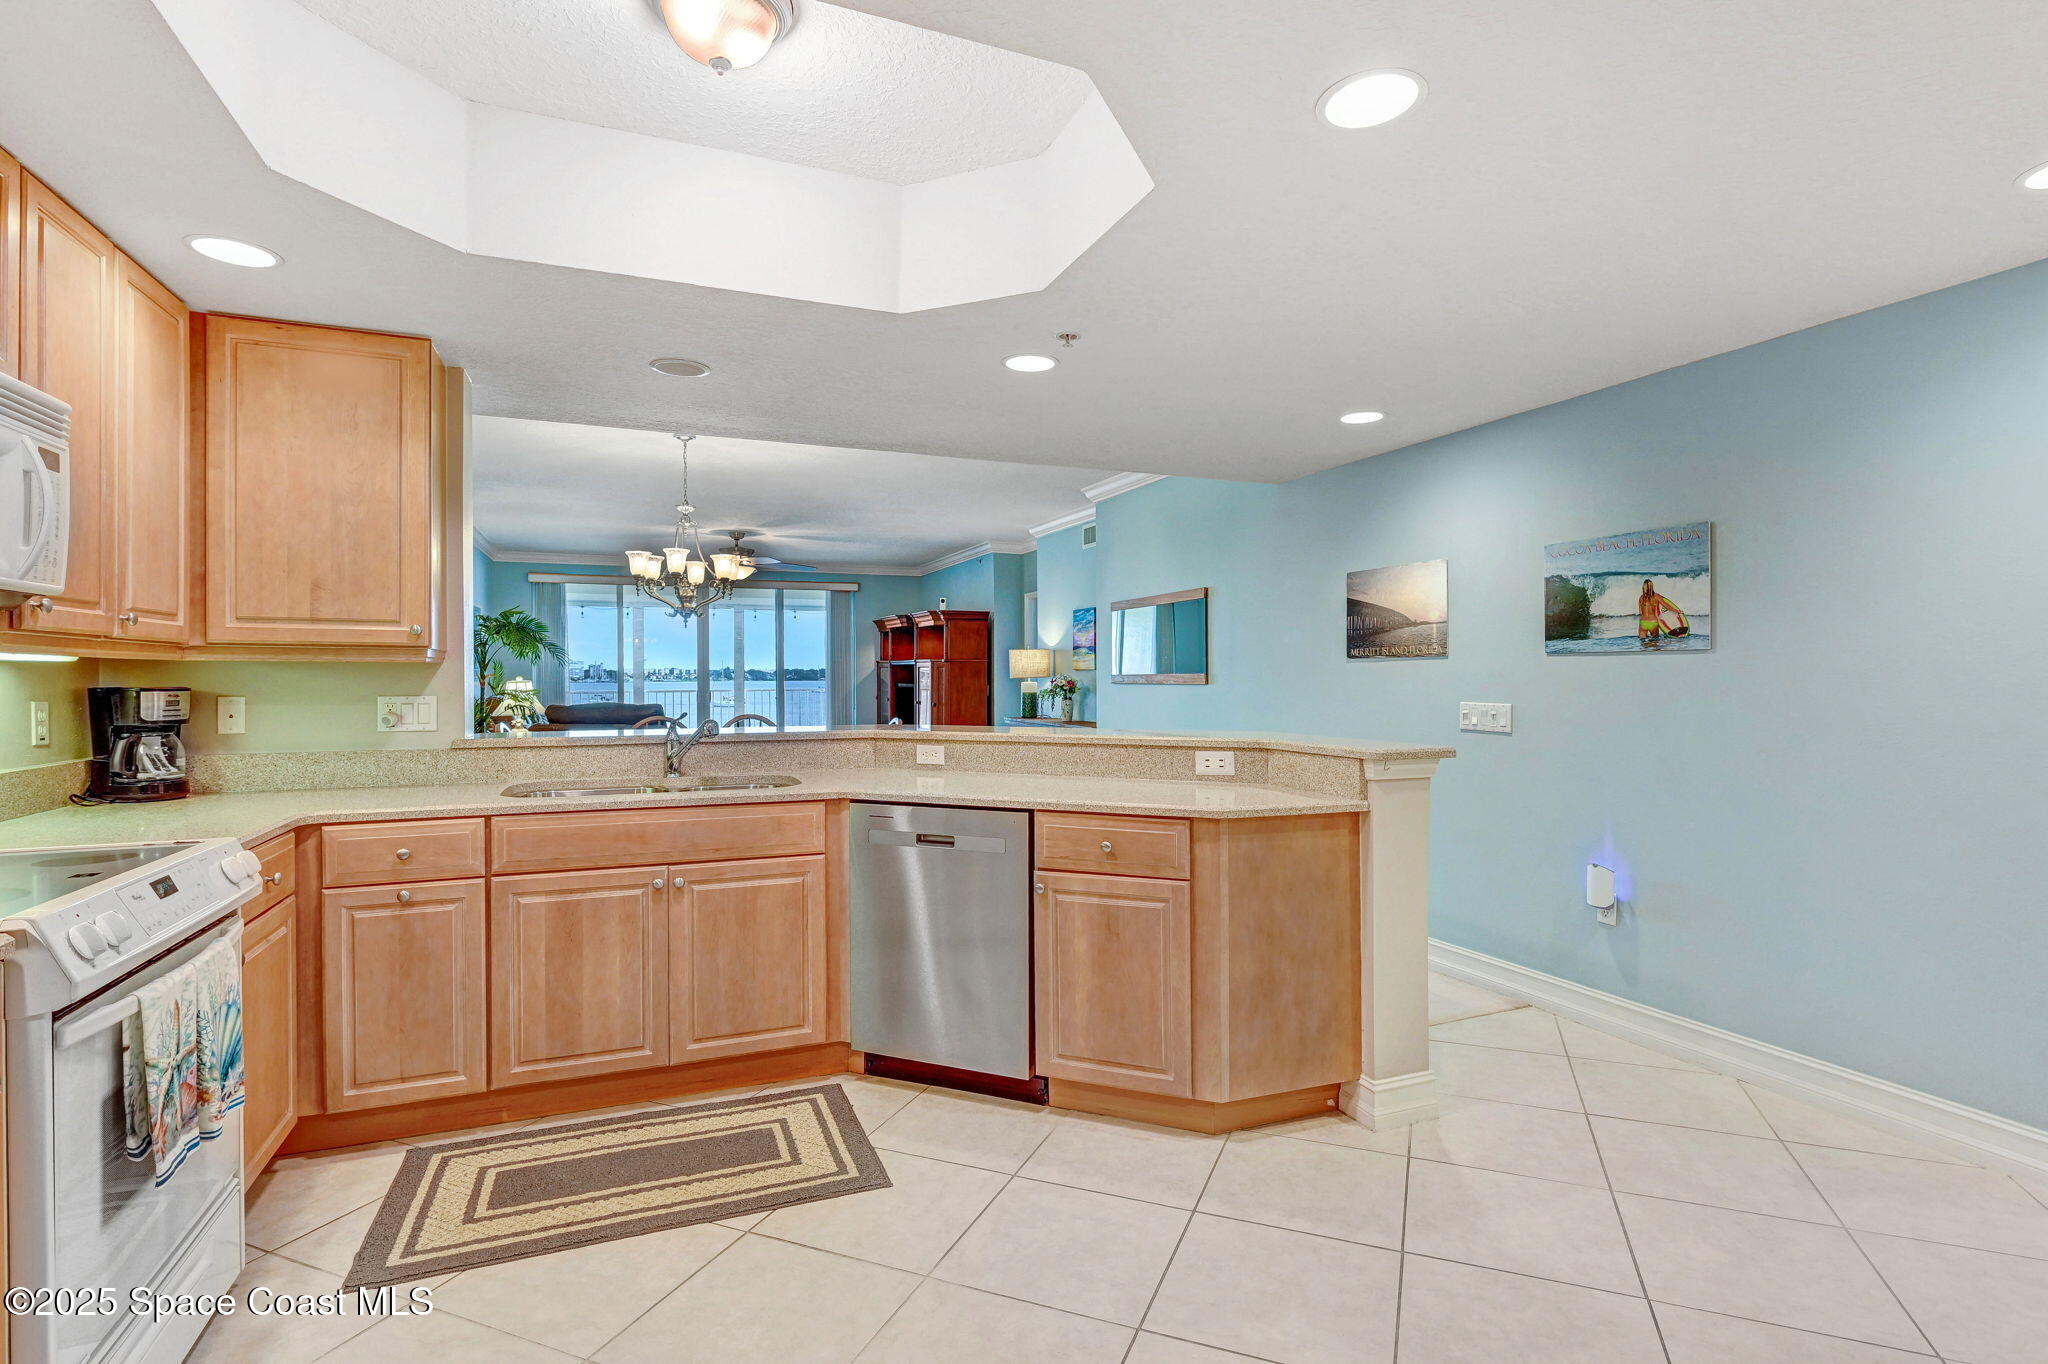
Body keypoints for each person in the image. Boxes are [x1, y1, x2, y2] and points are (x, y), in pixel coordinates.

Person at [1637, 579, 1689, 646]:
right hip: (1653, 621)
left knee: (1643, 643)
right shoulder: (1656, 596)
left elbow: (1640, 612)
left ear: (1643, 587)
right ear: (1652, 586)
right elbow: (1667, 606)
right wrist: (1678, 611)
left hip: (1643, 623)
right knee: (1655, 643)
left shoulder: (1641, 598)